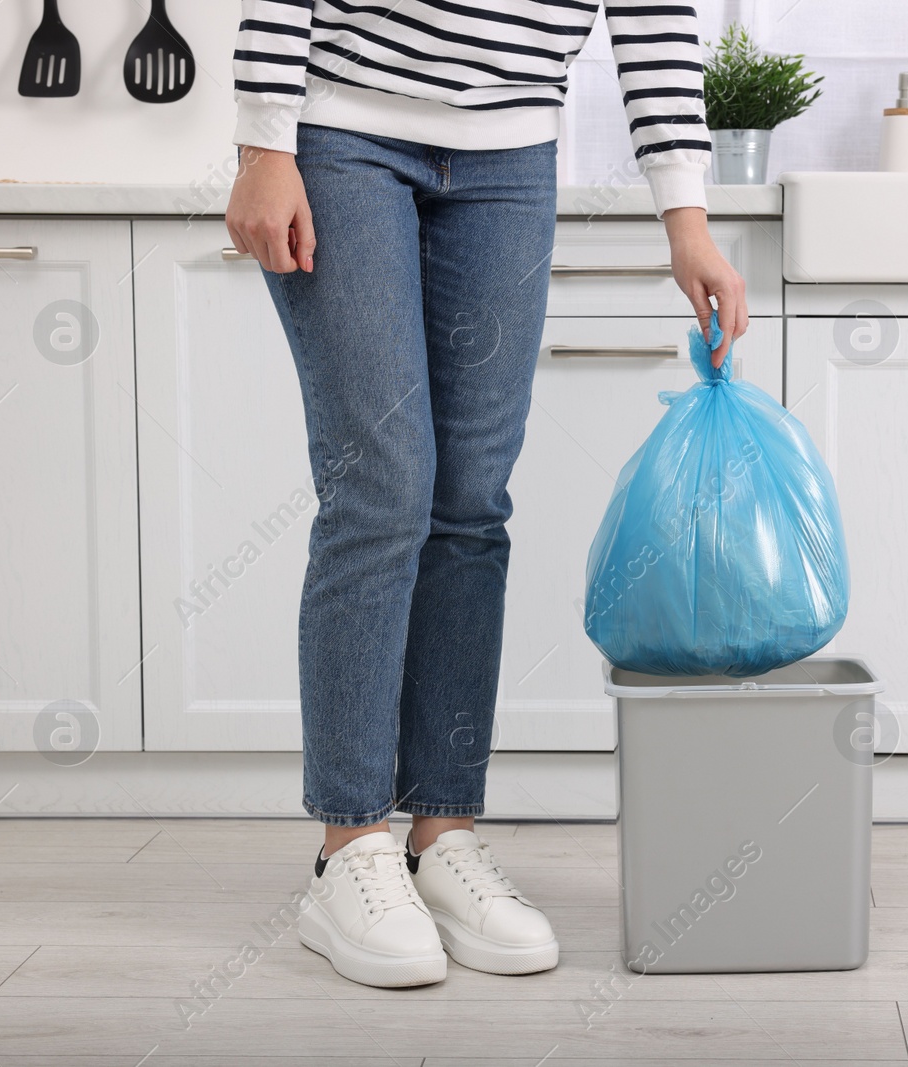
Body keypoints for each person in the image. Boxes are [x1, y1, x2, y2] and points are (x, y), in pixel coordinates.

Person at [224, 1, 748, 988]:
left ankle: (441, 829)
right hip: (342, 132)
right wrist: (265, 136)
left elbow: (654, 19)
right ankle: (348, 848)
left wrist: (688, 221)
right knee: (381, 491)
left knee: (469, 504)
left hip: (510, 154)